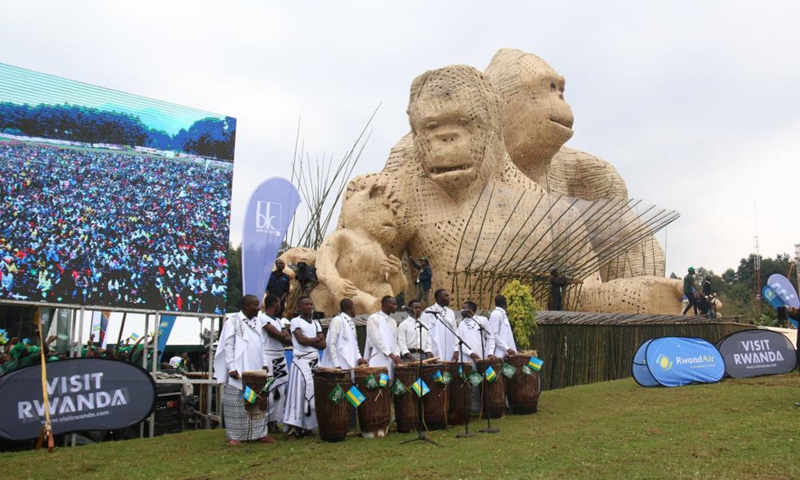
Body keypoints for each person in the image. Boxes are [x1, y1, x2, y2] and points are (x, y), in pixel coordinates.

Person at [213, 294, 276, 446]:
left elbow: (262, 344)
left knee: (257, 401)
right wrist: (231, 367)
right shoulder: (233, 321)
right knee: (237, 402)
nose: (258, 308)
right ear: (246, 306)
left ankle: (260, 434)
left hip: (256, 367)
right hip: (240, 368)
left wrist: (265, 363)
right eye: (255, 305)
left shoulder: (258, 321)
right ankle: (235, 436)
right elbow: (228, 346)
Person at [282, 296, 326, 439]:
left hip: (314, 362)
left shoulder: (315, 324)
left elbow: (323, 344)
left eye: (310, 304)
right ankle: (293, 429)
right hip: (301, 363)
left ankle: (308, 427)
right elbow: (301, 340)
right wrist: (315, 340)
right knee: (297, 395)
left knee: (312, 395)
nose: (309, 307)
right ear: (299, 308)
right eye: (306, 305)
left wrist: (309, 341)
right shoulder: (296, 321)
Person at [261, 293, 292, 432]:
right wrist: (283, 335)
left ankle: (274, 421)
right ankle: (265, 421)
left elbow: (288, 338)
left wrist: (283, 335)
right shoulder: (262, 318)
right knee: (270, 391)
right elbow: (278, 335)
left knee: (280, 391)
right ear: (274, 304)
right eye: (279, 304)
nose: (281, 306)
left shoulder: (279, 321)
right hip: (269, 356)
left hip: (280, 356)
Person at [319, 298, 366, 369]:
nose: (355, 310)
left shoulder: (351, 323)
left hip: (350, 364)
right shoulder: (337, 320)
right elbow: (331, 343)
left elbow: (354, 345)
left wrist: (359, 358)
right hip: (338, 364)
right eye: (354, 308)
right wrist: (336, 364)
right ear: (350, 308)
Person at [364, 295, 402, 378]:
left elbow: (395, 341)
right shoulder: (373, 318)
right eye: (393, 304)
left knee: (389, 383)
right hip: (378, 356)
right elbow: (376, 340)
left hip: (391, 359)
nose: (395, 307)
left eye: (395, 304)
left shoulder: (393, 322)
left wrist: (397, 354)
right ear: (385, 304)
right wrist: (391, 355)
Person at [419, 289, 458, 360]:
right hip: (434, 349)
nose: (449, 297)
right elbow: (424, 332)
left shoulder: (450, 312)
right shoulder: (428, 311)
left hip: (450, 349)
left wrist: (456, 350)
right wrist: (428, 350)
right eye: (446, 296)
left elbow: (455, 332)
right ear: (439, 298)